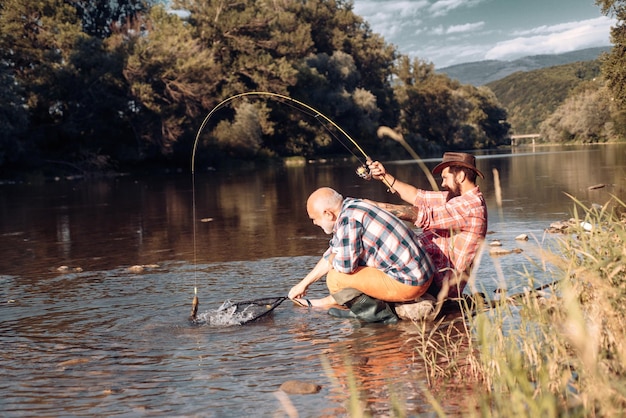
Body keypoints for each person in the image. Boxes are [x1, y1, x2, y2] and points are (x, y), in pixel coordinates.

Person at [288, 187, 436, 323]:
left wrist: (335, 258)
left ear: (328, 214)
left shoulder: (348, 220)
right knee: (345, 266)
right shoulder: (352, 206)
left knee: (335, 278)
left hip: (411, 283)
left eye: (314, 218)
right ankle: (329, 303)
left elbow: (345, 267)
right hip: (421, 275)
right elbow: (332, 252)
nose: (314, 223)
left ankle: (380, 315)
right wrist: (303, 285)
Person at [366, 152, 488, 305]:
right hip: (427, 273)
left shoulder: (469, 206)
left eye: (445, 178)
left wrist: (376, 208)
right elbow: (418, 197)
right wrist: (385, 176)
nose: (442, 184)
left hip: (437, 284)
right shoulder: (456, 199)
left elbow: (422, 215)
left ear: (461, 176)